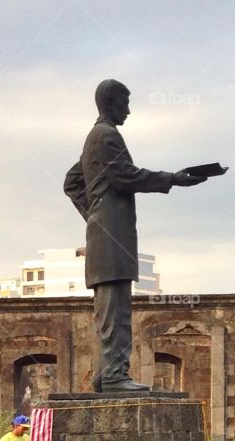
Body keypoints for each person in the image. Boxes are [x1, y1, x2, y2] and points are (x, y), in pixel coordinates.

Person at [64, 79, 206, 392]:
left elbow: (72, 182)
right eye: (124, 103)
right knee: (117, 312)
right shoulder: (106, 135)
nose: (128, 110)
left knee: (108, 312)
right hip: (112, 238)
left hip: (104, 237)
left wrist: (94, 216)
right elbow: (125, 175)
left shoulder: (95, 139)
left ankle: (106, 376)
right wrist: (173, 179)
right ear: (110, 103)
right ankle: (115, 377)